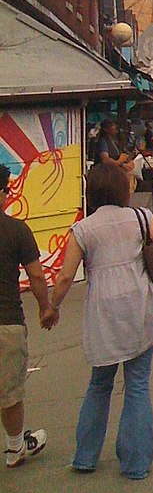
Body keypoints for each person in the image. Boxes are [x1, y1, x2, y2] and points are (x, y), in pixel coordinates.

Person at [45, 162, 153, 478]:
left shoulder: (83, 229)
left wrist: (51, 309)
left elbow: (64, 278)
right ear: (121, 189)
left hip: (103, 313)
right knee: (138, 385)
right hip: (139, 306)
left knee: (99, 385)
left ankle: (85, 457)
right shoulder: (141, 217)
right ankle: (135, 464)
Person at [1, 165, 53, 468]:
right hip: (6, 320)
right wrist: (45, 308)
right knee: (9, 391)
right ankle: (14, 447)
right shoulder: (17, 230)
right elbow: (35, 274)